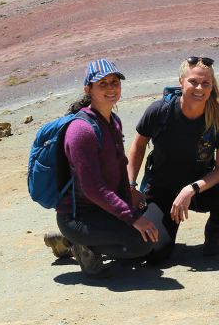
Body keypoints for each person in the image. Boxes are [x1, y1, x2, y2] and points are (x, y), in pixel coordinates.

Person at [55, 58, 168, 276]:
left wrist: (131, 195)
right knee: (141, 243)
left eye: (114, 82)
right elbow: (93, 189)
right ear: (88, 89)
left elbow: (118, 169)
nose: (110, 88)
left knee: (156, 239)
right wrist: (133, 218)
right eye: (102, 84)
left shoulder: (112, 121)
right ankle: (79, 244)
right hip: (79, 216)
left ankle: (71, 240)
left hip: (104, 209)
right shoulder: (81, 131)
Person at [127, 56, 219, 260]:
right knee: (156, 254)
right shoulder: (160, 111)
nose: (199, 88)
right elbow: (138, 145)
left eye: (205, 83)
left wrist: (191, 189)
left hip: (198, 191)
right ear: (181, 81)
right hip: (160, 193)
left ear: (212, 85)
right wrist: (131, 186)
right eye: (193, 82)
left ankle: (213, 229)